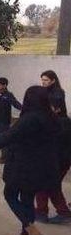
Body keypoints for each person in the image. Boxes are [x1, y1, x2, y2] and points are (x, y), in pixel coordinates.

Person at [0, 86, 60, 235]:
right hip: (41, 167)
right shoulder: (51, 117)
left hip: (23, 166)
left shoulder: (30, 118)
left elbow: (8, 136)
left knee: (9, 194)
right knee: (27, 199)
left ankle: (29, 228)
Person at [34, 93, 71, 224]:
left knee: (44, 185)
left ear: (58, 108)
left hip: (55, 161)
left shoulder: (57, 123)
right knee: (51, 185)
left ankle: (45, 212)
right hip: (61, 161)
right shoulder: (64, 121)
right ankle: (53, 211)